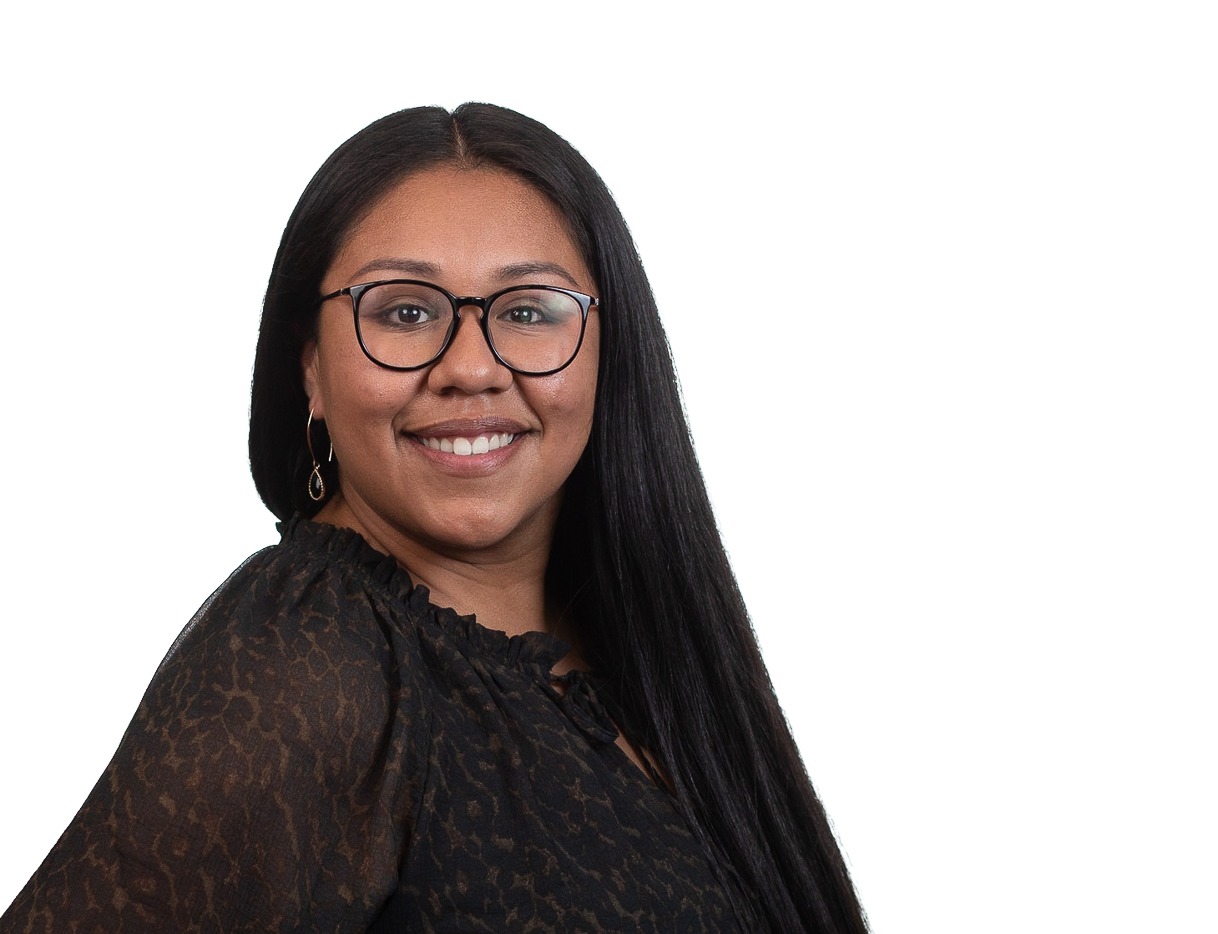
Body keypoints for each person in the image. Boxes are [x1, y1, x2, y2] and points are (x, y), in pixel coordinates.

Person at [0, 103, 865, 933]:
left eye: (527, 311)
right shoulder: (312, 665)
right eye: (406, 312)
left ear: (610, 346)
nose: (471, 368)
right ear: (310, 365)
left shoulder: (635, 645)